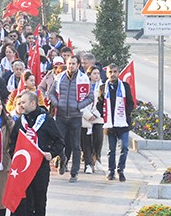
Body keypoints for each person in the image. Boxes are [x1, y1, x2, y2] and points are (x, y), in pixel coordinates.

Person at [9, 92, 65, 216]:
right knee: (20, 202)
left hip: (40, 169)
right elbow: (12, 144)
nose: (20, 105)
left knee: (39, 205)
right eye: (19, 103)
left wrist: (51, 153)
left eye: (23, 102)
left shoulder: (46, 120)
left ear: (33, 103)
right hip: (22, 170)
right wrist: (15, 157)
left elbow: (59, 142)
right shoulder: (20, 122)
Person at [47, 55, 93, 183]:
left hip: (75, 116)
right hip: (61, 116)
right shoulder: (59, 77)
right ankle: (62, 160)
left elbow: (90, 97)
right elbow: (50, 93)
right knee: (59, 142)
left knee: (76, 145)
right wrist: (57, 103)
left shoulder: (83, 79)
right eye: (69, 63)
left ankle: (74, 172)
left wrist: (79, 106)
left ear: (78, 65)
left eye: (73, 63)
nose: (71, 66)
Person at [97, 64, 134, 182]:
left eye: (115, 72)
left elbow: (130, 102)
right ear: (107, 74)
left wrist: (124, 115)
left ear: (118, 73)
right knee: (111, 150)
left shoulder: (124, 86)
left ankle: (121, 170)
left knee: (124, 148)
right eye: (110, 72)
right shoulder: (103, 88)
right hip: (110, 125)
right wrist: (105, 116)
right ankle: (111, 171)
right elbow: (99, 104)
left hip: (123, 123)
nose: (112, 74)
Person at [81, 66, 104, 174]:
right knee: (86, 142)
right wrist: (87, 114)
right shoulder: (84, 86)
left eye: (98, 73)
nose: (96, 76)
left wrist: (96, 113)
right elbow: (80, 101)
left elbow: (103, 102)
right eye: (94, 73)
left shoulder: (103, 87)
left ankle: (97, 157)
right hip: (86, 117)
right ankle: (88, 164)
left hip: (98, 117)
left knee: (98, 139)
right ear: (89, 75)